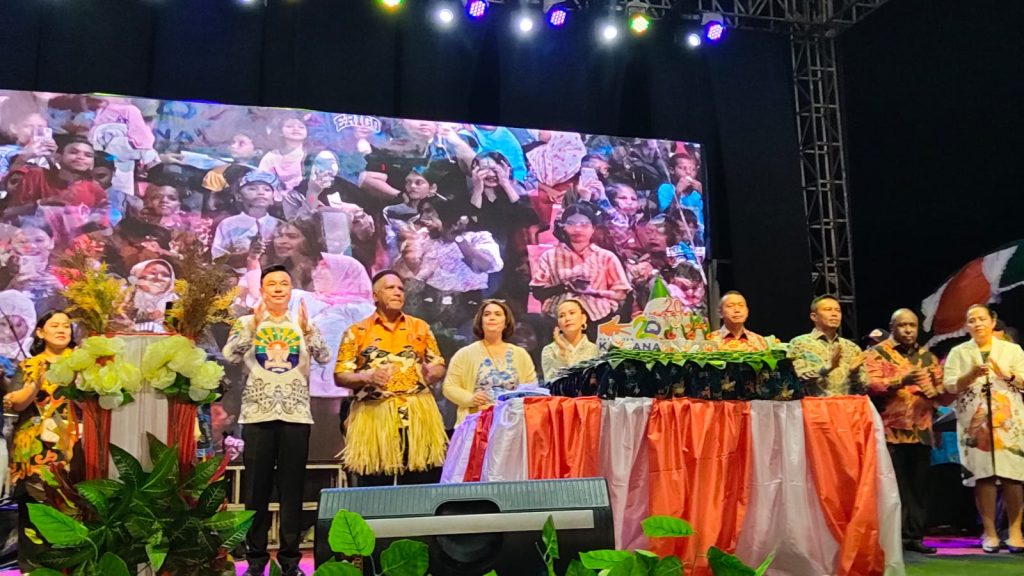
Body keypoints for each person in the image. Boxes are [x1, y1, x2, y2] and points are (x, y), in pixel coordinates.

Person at [222, 264, 330, 576]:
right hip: (258, 414)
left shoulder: (303, 322)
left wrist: (308, 331)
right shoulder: (246, 322)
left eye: (284, 283)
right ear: (262, 290)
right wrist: (254, 327)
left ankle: (290, 561)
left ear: (291, 289)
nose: (279, 288)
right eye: (272, 283)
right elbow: (229, 355)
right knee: (256, 491)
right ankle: (256, 561)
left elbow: (324, 356)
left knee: (292, 490)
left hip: (296, 415)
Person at [334, 271, 448, 486]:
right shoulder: (357, 332)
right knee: (375, 487)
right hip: (374, 417)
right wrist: (367, 376)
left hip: (417, 416)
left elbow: (438, 364)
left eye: (400, 289)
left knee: (420, 483)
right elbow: (341, 375)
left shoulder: (420, 327)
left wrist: (434, 372)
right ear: (375, 296)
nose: (397, 292)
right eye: (390, 288)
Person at [864, 309, 948, 554]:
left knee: (919, 488)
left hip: (921, 431)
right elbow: (870, 385)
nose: (909, 330)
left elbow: (942, 390)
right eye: (903, 325)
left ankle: (915, 536)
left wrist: (935, 391)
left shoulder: (927, 357)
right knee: (894, 487)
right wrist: (902, 380)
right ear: (892, 327)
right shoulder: (878, 353)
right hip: (890, 430)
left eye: (912, 325)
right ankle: (894, 538)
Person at [942, 304, 1024, 553]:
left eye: (981, 319)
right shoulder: (959, 352)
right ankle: (989, 533)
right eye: (971, 320)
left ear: (992, 321)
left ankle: (1015, 532)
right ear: (966, 326)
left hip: (1009, 421)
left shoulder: (1012, 350)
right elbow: (950, 386)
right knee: (983, 476)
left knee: (1013, 475)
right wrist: (970, 375)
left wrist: (1005, 374)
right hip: (974, 422)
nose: (977, 324)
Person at [2, 310, 76, 572]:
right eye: (54, 325)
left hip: (73, 448)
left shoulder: (83, 363)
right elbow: (16, 403)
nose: (62, 330)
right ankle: (35, 569)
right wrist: (36, 383)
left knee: (73, 508)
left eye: (66, 326)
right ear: (40, 332)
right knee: (35, 512)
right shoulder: (30, 365)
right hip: (35, 452)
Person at [530, 203, 630, 326]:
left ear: (593, 228)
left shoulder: (606, 257)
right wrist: (565, 287)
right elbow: (538, 292)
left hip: (598, 317)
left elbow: (621, 294)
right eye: (571, 224)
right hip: (557, 318)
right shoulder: (549, 256)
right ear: (563, 226)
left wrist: (593, 291)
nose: (577, 229)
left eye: (584, 225)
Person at [443, 299, 538, 426]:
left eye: (497, 314)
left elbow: (532, 388)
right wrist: (470, 399)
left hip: (514, 423)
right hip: (477, 423)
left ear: (506, 323)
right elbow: (449, 387)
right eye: (487, 314)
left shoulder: (520, 354)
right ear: (480, 322)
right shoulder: (465, 354)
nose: (492, 317)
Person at [788, 295, 863, 396]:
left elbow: (863, 389)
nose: (834, 314)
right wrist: (826, 368)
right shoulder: (800, 344)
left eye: (838, 310)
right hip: (814, 404)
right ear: (814, 316)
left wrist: (854, 373)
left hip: (846, 404)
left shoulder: (851, 348)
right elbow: (797, 379)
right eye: (828, 309)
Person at [211, 170, 283, 273]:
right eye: (252, 189)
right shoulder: (228, 224)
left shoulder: (280, 226)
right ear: (239, 196)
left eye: (267, 190)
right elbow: (218, 258)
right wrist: (246, 254)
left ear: (273, 198)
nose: (261, 193)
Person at [541, 299, 599, 382]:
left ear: (583, 318)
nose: (567, 318)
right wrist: (562, 352)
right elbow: (551, 383)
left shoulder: (595, 350)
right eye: (562, 316)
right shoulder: (550, 350)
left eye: (572, 313)